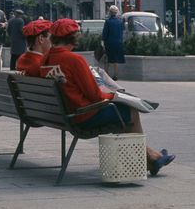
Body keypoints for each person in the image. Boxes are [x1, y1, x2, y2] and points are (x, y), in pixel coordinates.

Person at [40, 18, 175, 177]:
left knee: (121, 114)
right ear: (73, 38)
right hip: (82, 115)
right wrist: (114, 95)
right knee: (130, 112)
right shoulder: (73, 59)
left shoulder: (45, 59)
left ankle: (153, 158)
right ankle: (145, 161)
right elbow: (95, 96)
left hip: (64, 114)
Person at [102, 5, 125, 80]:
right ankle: (116, 75)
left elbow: (105, 33)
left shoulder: (108, 21)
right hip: (118, 42)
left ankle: (106, 75)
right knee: (115, 60)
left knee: (108, 58)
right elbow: (122, 32)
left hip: (109, 42)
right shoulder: (120, 22)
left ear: (110, 12)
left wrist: (103, 42)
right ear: (116, 12)